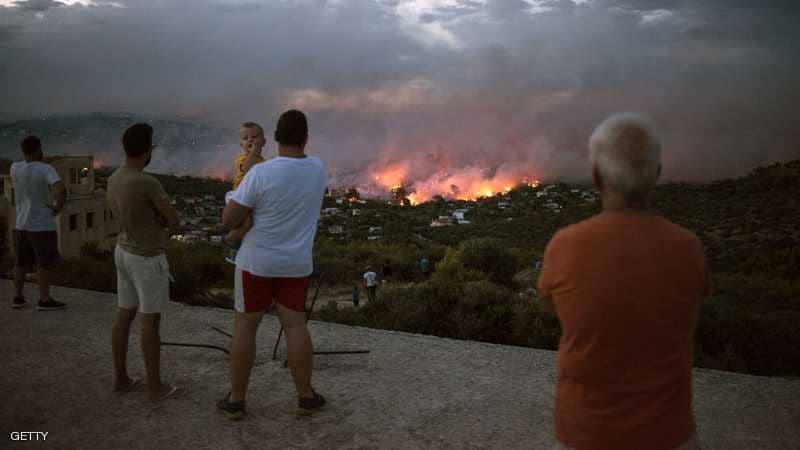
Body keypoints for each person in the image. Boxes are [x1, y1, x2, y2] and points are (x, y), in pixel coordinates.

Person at [537, 113, 710, 450]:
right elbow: (697, 298)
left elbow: (549, 306)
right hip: (668, 434)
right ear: (656, 176)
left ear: (597, 178)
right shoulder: (687, 247)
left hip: (585, 433)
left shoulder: (566, 246)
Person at [218, 109, 327, 420]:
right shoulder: (317, 169)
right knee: (295, 326)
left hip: (256, 263)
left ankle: (236, 400)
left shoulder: (260, 173)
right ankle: (305, 395)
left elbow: (230, 218)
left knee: (245, 327)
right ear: (306, 138)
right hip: (296, 263)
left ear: (275, 138)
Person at [107, 123, 186, 401]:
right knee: (149, 322)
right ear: (147, 150)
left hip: (123, 251)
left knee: (124, 315)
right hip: (146, 258)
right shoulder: (146, 181)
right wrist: (162, 220)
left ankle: (121, 380)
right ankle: (155, 387)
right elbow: (174, 219)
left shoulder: (114, 177)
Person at [10, 135, 67, 310]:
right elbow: (60, 189)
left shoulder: (14, 167)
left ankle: (18, 298)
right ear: (38, 149)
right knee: (44, 263)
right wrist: (58, 207)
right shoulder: (46, 169)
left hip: (21, 224)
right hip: (41, 225)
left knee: (21, 263)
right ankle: (44, 300)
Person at [223, 122, 267, 264]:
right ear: (241, 144)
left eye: (254, 136)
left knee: (252, 226)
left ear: (264, 142)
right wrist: (254, 152)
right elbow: (248, 169)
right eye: (245, 138)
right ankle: (230, 240)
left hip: (251, 198)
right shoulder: (242, 159)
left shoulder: (264, 162)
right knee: (247, 223)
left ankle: (236, 252)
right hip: (238, 196)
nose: (250, 140)